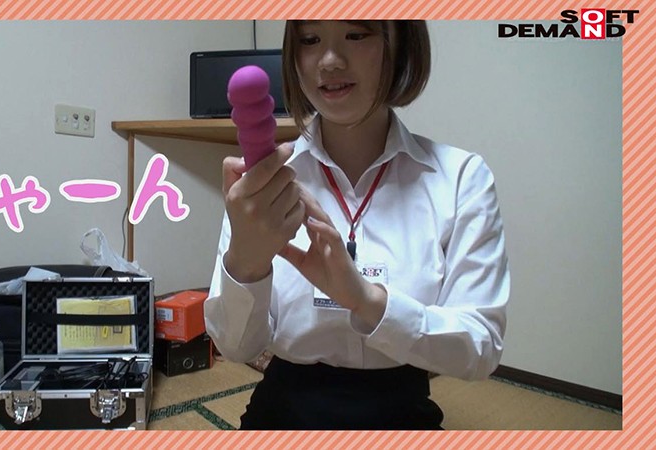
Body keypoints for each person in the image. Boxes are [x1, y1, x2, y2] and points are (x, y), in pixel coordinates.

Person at [204, 20, 510, 430]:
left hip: (404, 411)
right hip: (283, 409)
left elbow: (481, 348)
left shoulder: (460, 179)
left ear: (401, 44)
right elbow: (236, 348)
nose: (329, 61)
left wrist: (367, 300)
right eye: (310, 40)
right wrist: (246, 262)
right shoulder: (264, 185)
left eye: (356, 34)